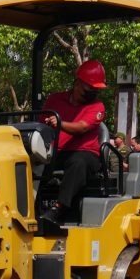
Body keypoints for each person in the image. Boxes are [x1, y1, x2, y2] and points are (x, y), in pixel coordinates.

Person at [39, 59, 108, 225]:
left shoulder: (97, 107)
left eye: (96, 89)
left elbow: (82, 127)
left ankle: (58, 208)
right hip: (57, 152)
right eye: (90, 88)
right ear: (77, 83)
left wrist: (60, 123)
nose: (93, 92)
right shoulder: (54, 100)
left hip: (85, 153)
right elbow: (41, 124)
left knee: (78, 162)